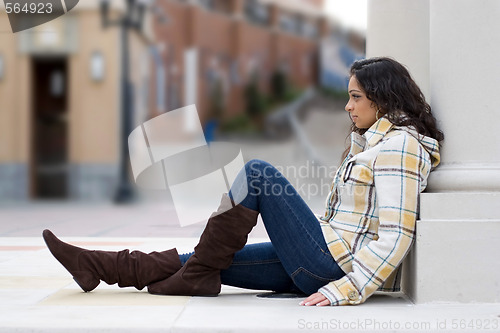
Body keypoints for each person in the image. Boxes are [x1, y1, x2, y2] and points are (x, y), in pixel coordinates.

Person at [43, 57, 443, 306]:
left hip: (331, 267)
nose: (347, 105)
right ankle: (97, 266)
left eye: (355, 96)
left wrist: (346, 290)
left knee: (258, 173)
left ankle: (194, 275)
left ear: (382, 98)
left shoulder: (400, 148)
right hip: (322, 255)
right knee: (209, 261)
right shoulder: (370, 144)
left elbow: (395, 234)